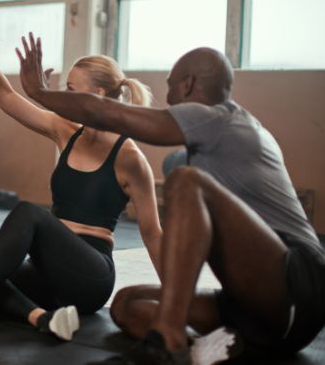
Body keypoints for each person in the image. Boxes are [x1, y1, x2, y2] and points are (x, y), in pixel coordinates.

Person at [16, 36, 325, 364]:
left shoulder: (218, 116)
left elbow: (106, 113)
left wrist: (39, 92)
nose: (168, 96)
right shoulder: (225, 135)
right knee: (127, 305)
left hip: (299, 285)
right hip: (257, 316)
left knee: (185, 181)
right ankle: (205, 350)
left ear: (189, 84)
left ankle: (168, 339)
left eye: (171, 85)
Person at [0, 0, 162, 345]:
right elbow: (5, 96)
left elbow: (153, 235)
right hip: (46, 275)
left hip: (89, 278)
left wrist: (177, 305)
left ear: (98, 95)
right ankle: (40, 317)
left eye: (70, 90)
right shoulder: (65, 130)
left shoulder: (129, 157)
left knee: (30, 214)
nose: (61, 96)